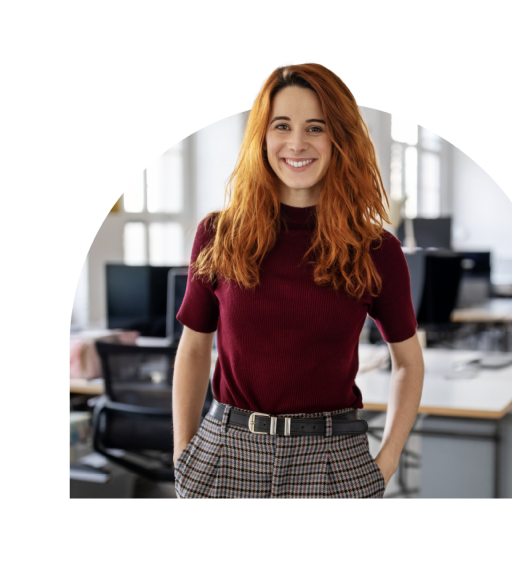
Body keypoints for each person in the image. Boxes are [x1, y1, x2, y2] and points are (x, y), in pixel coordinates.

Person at [172, 60, 424, 499]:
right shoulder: (218, 234)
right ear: (263, 136)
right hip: (227, 453)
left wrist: (386, 462)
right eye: (282, 125)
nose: (296, 142)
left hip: (332, 459)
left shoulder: (376, 249)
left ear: (338, 138)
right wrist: (182, 452)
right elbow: (194, 349)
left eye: (315, 127)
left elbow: (408, 363)